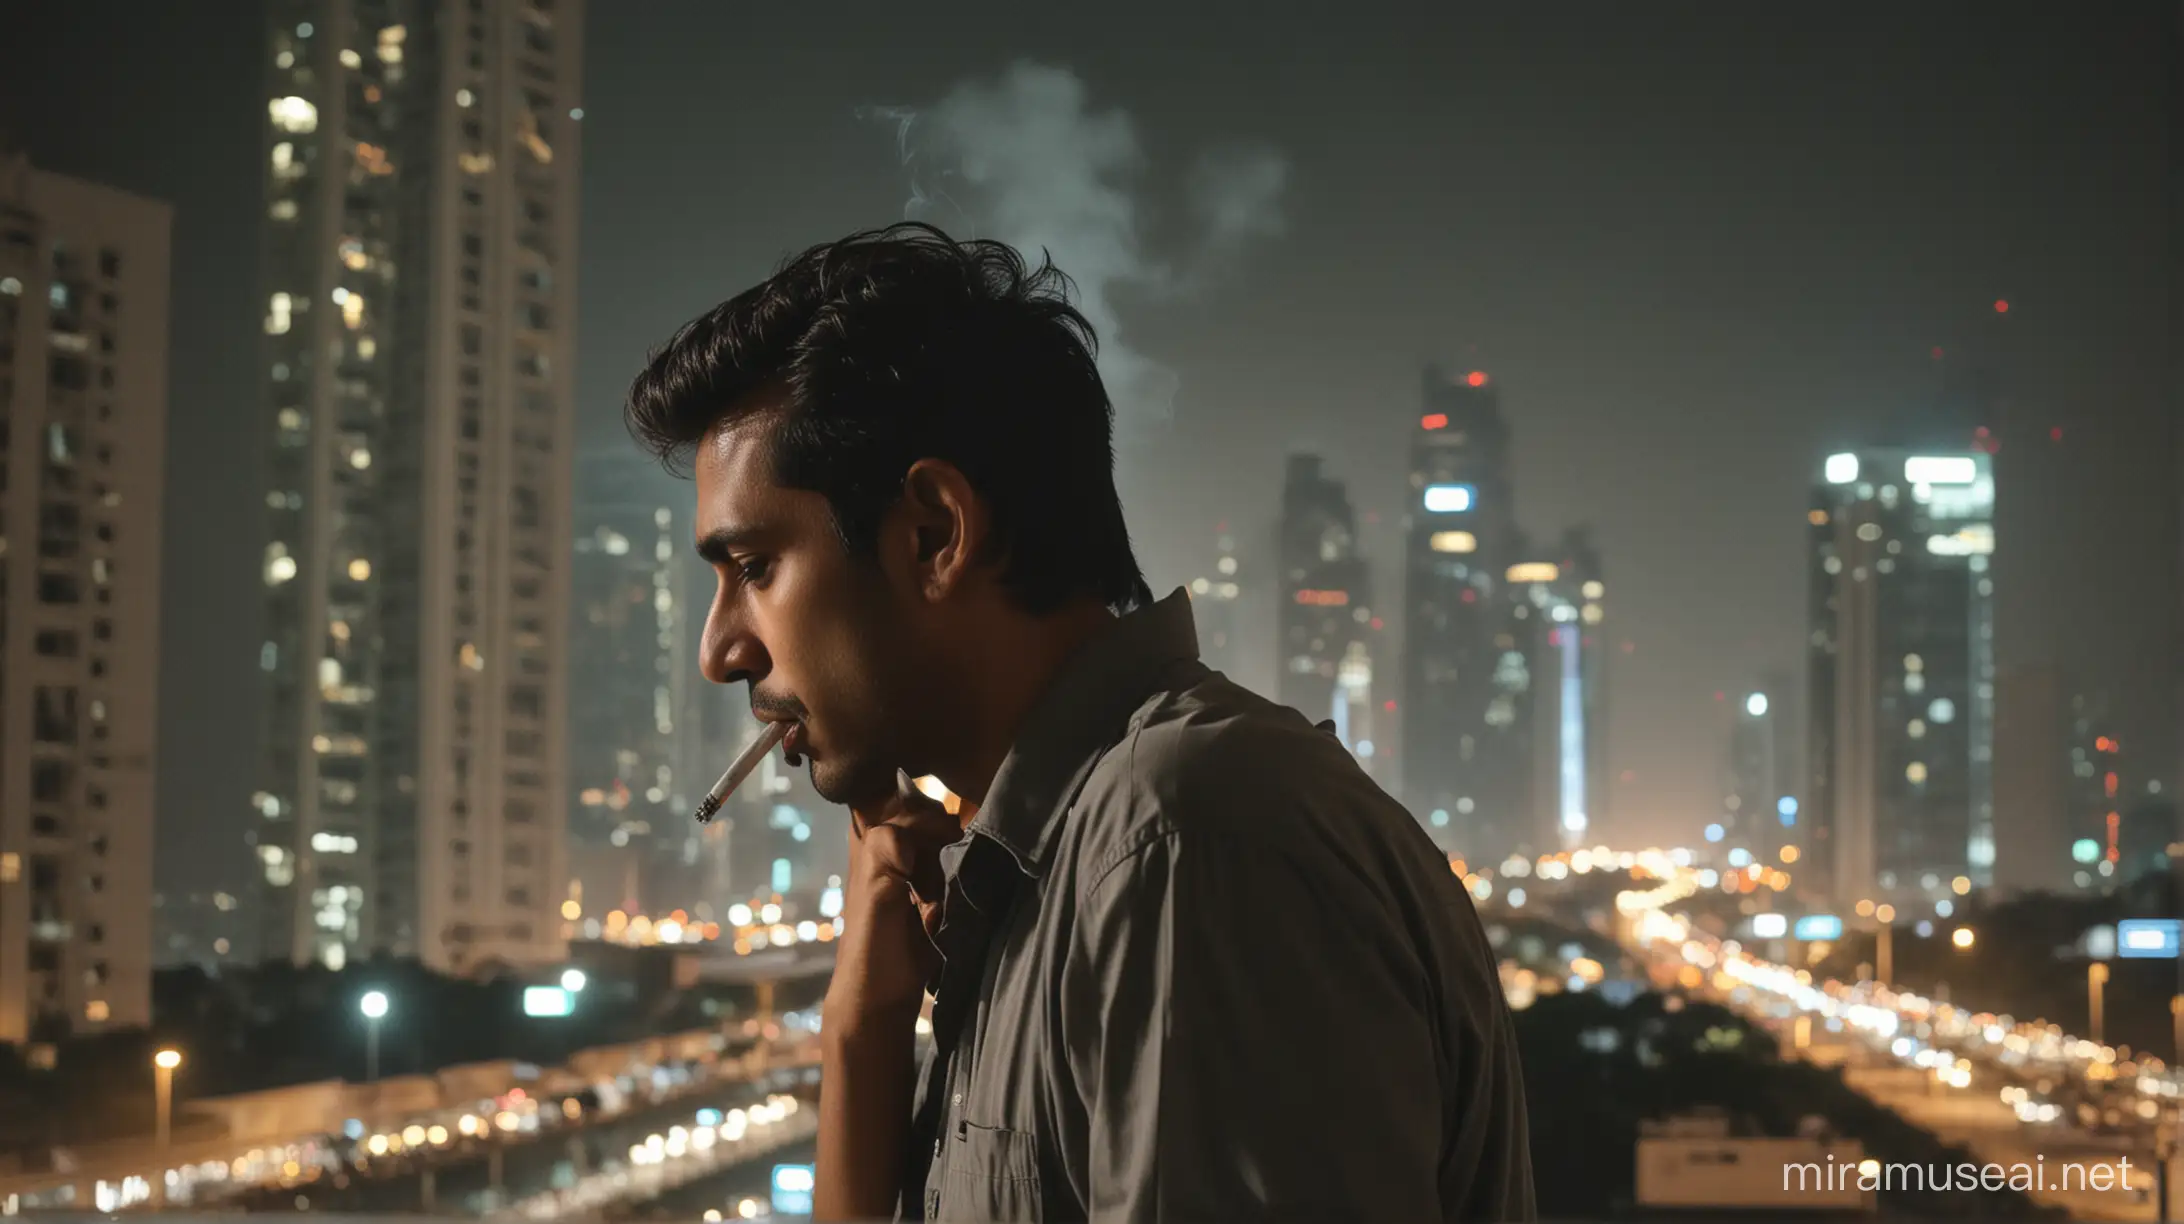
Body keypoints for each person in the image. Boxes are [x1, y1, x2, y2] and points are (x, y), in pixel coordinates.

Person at [624, 222, 1534, 1222]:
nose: (721, 652)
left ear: (934, 536)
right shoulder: (1045, 875)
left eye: (754, 570)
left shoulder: (1181, 842)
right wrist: (861, 1030)